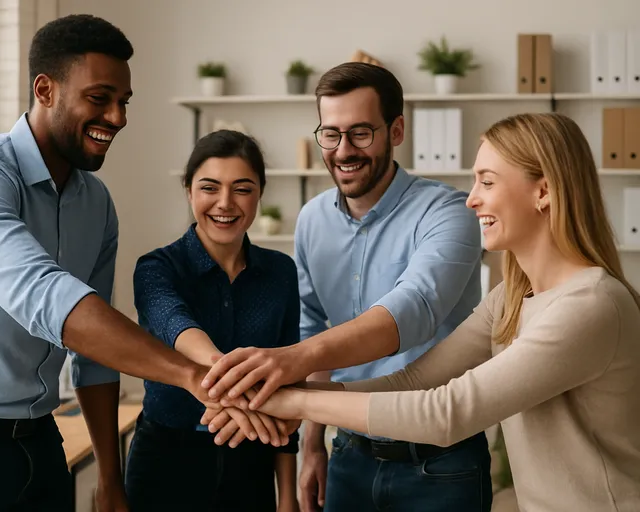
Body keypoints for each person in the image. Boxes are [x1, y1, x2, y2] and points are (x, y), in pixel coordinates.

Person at [208, 112, 640, 512]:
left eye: (487, 182)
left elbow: (446, 413)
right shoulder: (513, 296)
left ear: (543, 191)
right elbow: (414, 380)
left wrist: (293, 400)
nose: (471, 200)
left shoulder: (590, 304)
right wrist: (287, 400)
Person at [0, 14, 216, 512]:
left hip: (40, 440)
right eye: (100, 98)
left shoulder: (96, 202)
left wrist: (110, 475)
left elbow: (96, 350)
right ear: (45, 89)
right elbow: (45, 296)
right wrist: (191, 374)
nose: (118, 118)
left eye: (123, 103)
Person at [200, 62, 492, 512]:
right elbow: (312, 326)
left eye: (361, 133)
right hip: (349, 457)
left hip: (440, 463)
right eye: (331, 134)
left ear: (396, 131)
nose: (343, 150)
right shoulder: (312, 219)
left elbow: (413, 311)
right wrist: (313, 444)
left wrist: (286, 363)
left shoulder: (448, 213)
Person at [122, 129, 301, 512]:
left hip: (252, 462)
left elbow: (291, 382)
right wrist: (240, 386)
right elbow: (174, 323)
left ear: (259, 193)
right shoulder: (157, 268)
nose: (225, 203)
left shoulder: (281, 273)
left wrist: (288, 496)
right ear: (188, 190)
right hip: (165, 463)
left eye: (242, 188)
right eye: (209, 187)